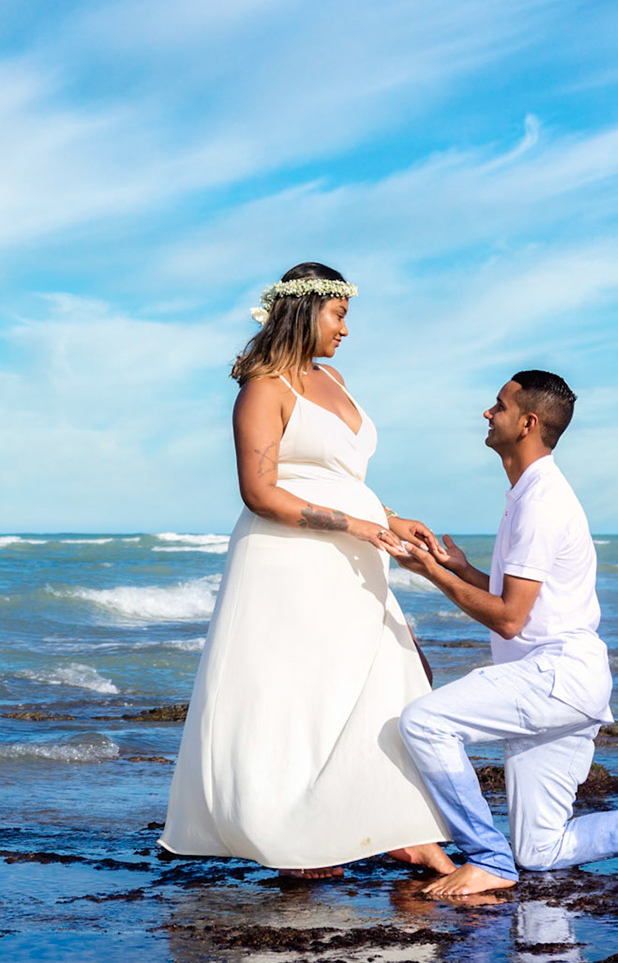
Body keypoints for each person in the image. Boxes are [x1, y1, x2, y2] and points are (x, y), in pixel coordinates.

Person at [160, 263, 452, 878]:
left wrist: (392, 519)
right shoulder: (264, 389)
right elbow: (261, 493)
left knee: (383, 678)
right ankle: (291, 838)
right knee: (292, 693)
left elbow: (342, 477)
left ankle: (402, 827)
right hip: (286, 561)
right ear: (304, 310)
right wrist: (355, 526)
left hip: (355, 558)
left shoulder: (336, 379)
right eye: (339, 314)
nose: (346, 329)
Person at [394, 370, 618, 897]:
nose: (486, 413)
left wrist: (433, 576)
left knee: (425, 723)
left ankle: (485, 856)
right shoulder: (527, 493)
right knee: (540, 852)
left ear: (527, 423)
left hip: (554, 677)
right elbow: (519, 596)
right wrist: (457, 567)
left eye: (497, 405)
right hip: (562, 682)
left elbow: (508, 618)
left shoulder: (541, 502)